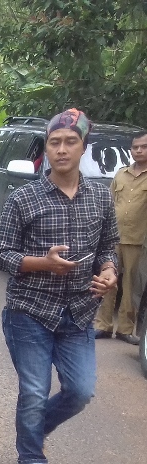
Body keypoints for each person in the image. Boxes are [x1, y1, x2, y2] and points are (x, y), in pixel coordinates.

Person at [0, 108, 118, 464]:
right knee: (33, 389)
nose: (61, 149)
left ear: (83, 147)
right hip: (29, 311)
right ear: (46, 148)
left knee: (80, 391)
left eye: (70, 142)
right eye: (54, 142)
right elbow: (1, 253)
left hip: (78, 313)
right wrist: (42, 263)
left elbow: (108, 245)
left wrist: (110, 271)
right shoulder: (24, 198)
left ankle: (34, 427)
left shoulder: (100, 194)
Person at [94, 129, 147, 344]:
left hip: (138, 240)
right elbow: (109, 203)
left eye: (143, 147)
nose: (139, 150)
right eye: (135, 147)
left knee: (131, 286)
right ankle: (102, 325)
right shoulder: (121, 174)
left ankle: (126, 329)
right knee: (107, 281)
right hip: (114, 237)